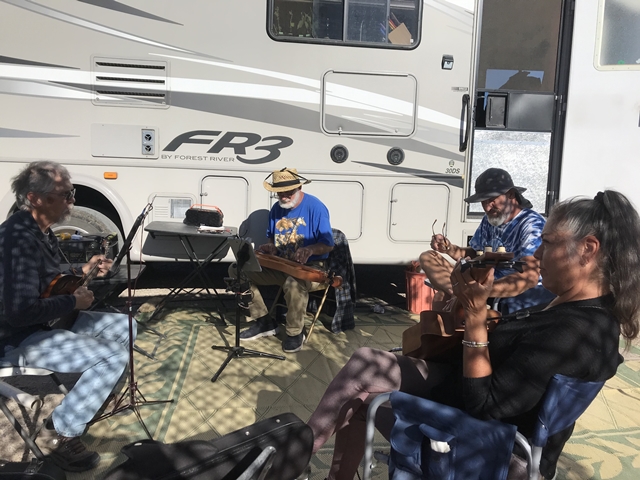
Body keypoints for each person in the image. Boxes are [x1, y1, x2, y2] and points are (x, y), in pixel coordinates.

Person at [308, 190, 640, 480]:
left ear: (588, 249)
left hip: (486, 450)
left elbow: (484, 404)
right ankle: (303, 452)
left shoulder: (575, 332)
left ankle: (298, 453)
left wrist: (477, 316)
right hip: (475, 413)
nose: (537, 254)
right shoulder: (580, 311)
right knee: (365, 362)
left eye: (549, 242)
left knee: (362, 396)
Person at [0, 161, 135, 472]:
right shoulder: (17, 240)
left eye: (72, 193)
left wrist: (83, 270)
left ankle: (89, 396)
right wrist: (72, 302)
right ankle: (60, 433)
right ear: (35, 198)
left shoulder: (40, 230)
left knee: (125, 325)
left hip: (44, 324)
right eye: (65, 194)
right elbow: (19, 313)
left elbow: (46, 279)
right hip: (17, 338)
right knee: (112, 356)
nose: (72, 200)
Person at [419, 167, 554, 314]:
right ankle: (456, 293)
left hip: (516, 292)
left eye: (491, 200)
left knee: (442, 297)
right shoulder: (490, 219)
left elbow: (529, 277)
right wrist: (449, 248)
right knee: (428, 257)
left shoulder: (532, 225)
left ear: (510, 194)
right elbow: (475, 253)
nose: (487, 207)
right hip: (482, 280)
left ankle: (460, 295)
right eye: (483, 201)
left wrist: (481, 291)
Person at [234, 168, 334, 353]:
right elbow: (272, 239)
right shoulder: (276, 209)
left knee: (294, 282)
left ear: (299, 188)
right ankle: (264, 321)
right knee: (238, 270)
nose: (284, 196)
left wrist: (309, 250)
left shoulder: (316, 207)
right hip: (282, 265)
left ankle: (295, 333)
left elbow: (328, 245)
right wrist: (270, 247)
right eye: (279, 192)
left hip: (312, 268)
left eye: (288, 192)